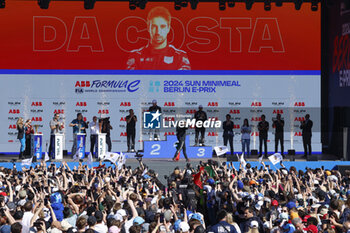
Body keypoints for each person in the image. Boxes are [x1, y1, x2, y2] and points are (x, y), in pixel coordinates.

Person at [126, 6, 191, 70]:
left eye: (162, 26)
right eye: (154, 26)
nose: (158, 32)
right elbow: (131, 80)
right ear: (148, 28)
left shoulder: (180, 57)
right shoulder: (135, 56)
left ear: (168, 28)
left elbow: (183, 80)